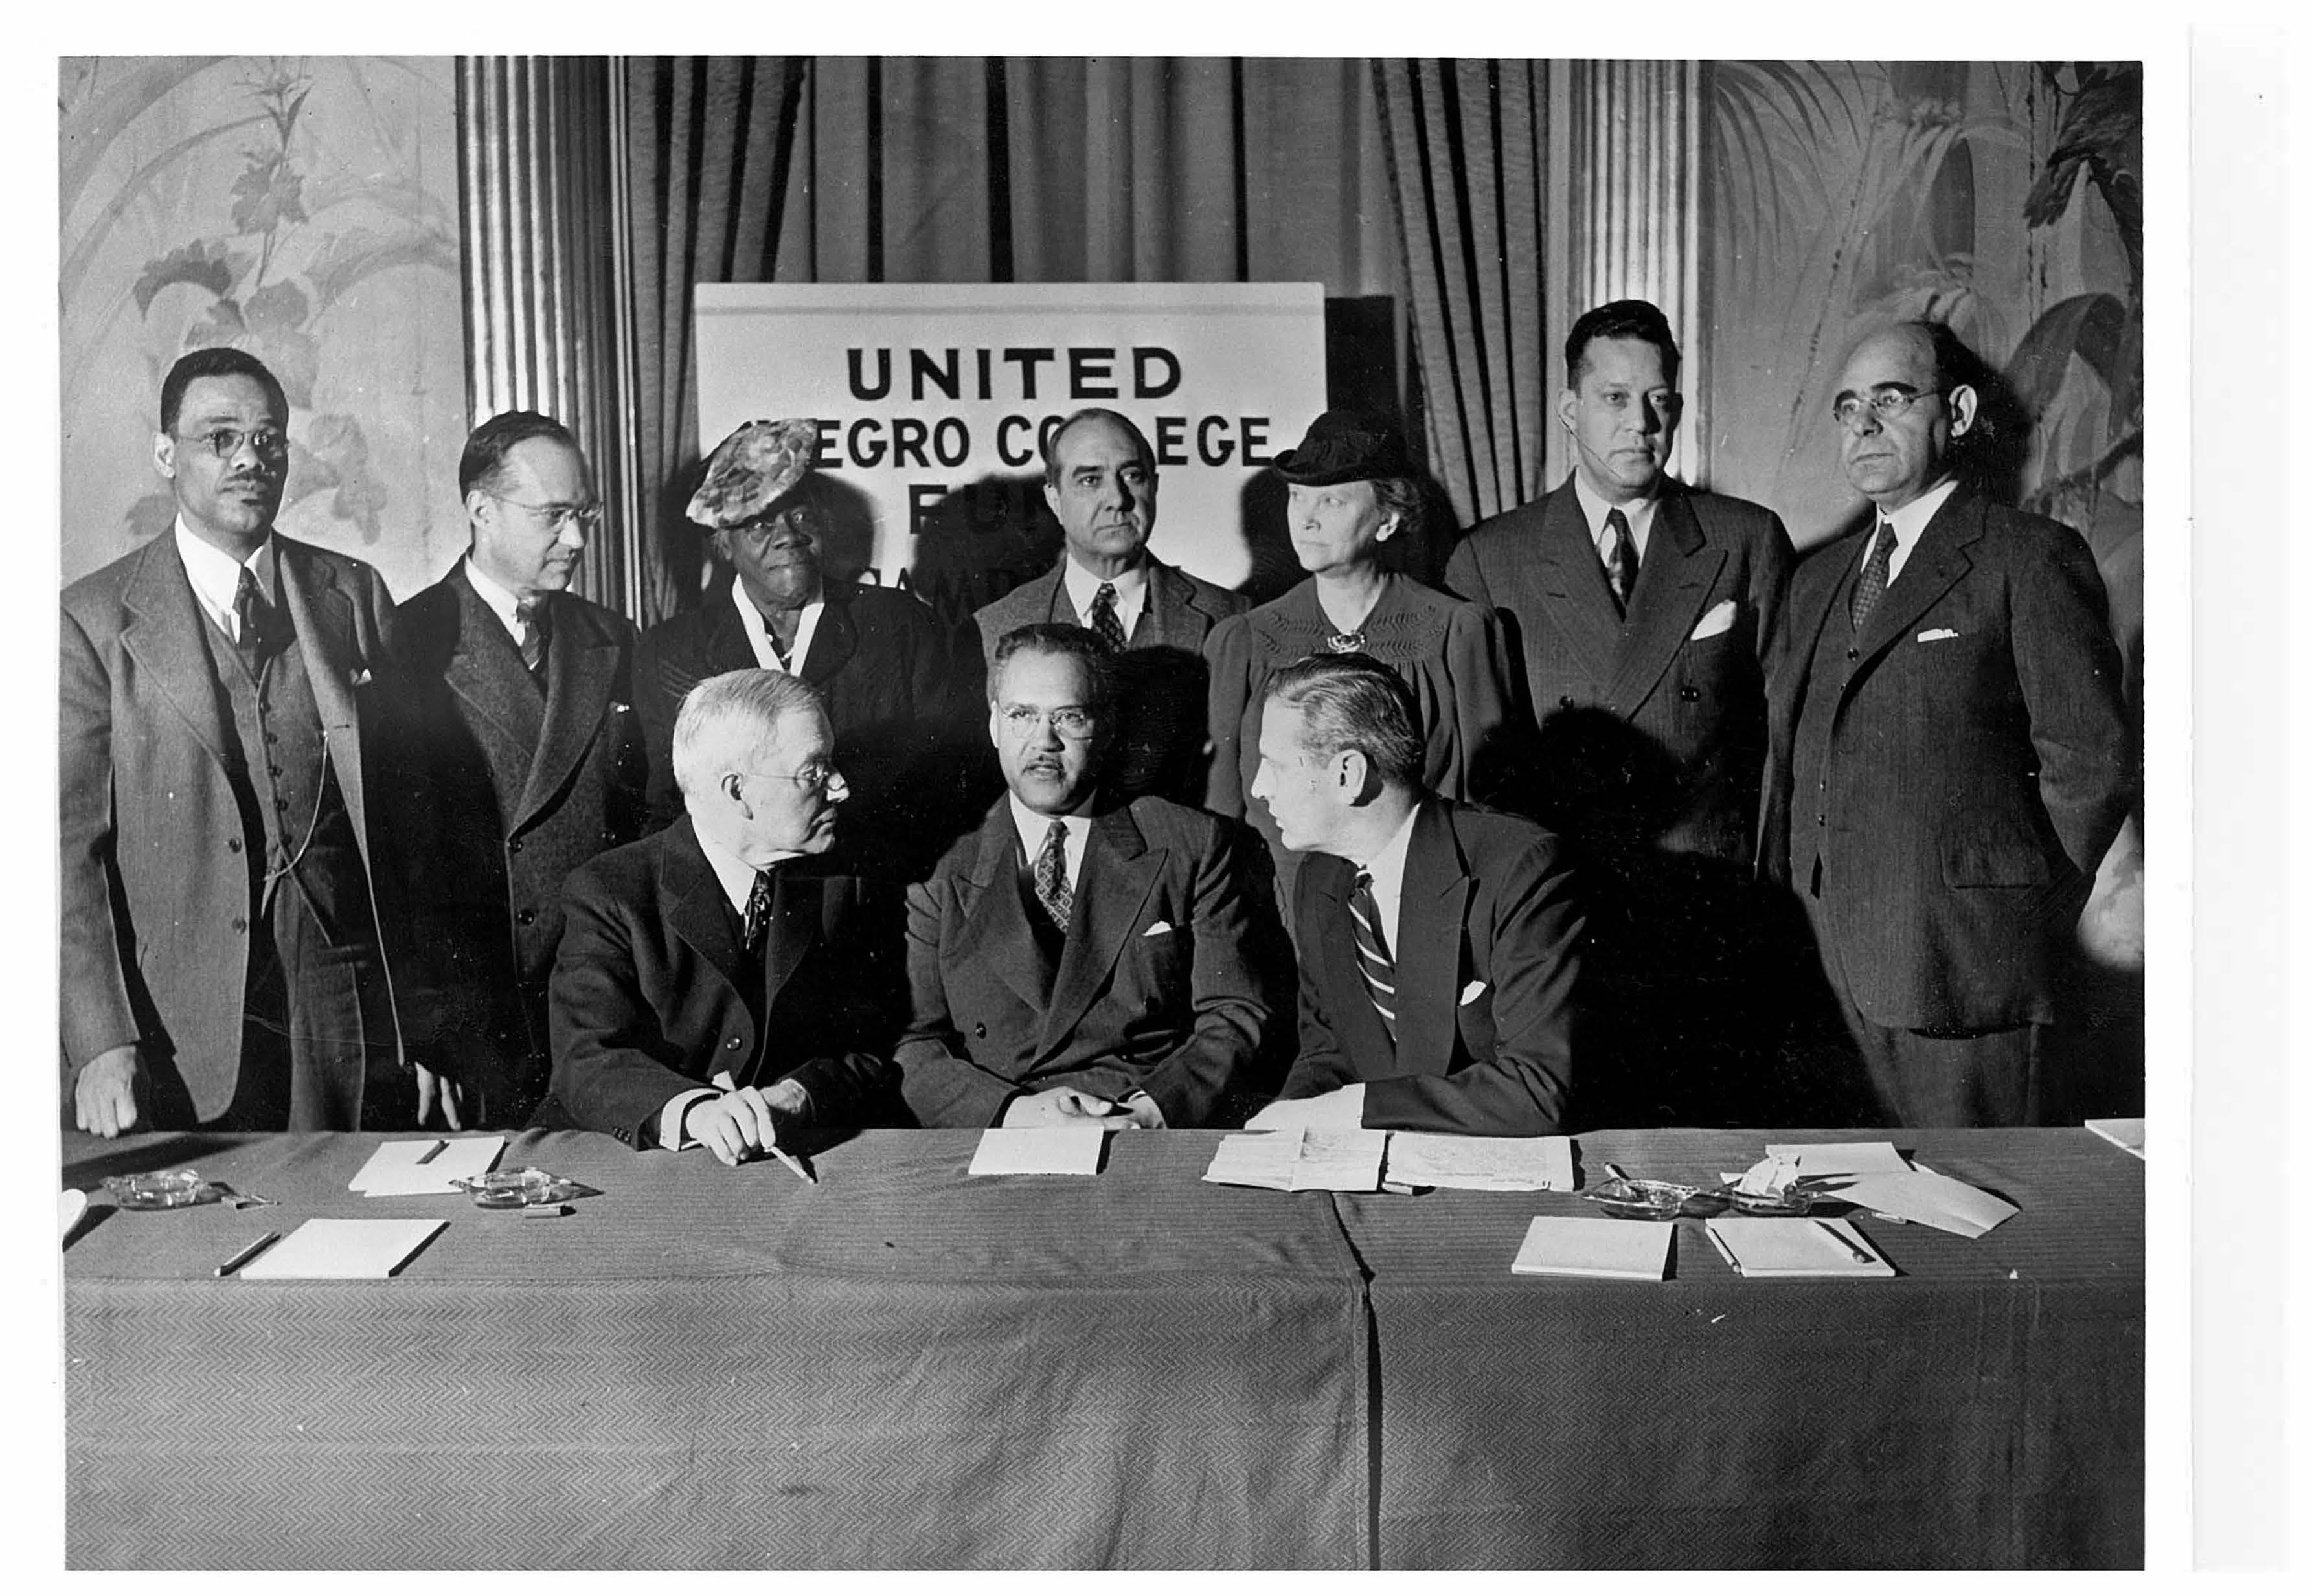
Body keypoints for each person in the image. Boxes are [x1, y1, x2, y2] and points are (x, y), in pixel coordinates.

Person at [60, 346, 453, 1133]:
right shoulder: (93, 621)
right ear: (166, 453)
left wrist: (430, 1021)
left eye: (269, 439)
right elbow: (63, 850)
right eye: (220, 437)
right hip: (179, 1029)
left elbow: (418, 831)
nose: (250, 458)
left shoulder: (354, 593)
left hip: (349, 1016)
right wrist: (101, 1039)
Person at [1765, 320, 2131, 1127]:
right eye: (1848, 406)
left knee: (1969, 1223)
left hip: (1965, 977)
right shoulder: (1818, 579)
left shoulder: (2026, 556)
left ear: (1958, 413)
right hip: (1827, 989)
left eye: (1890, 400)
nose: (1862, 425)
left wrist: (2015, 917)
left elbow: (2092, 759)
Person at [1444, 300, 1794, 1127]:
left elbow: (1786, 742)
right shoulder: (1491, 557)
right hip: (1560, 920)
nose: (1641, 423)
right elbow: (1478, 774)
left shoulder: (1744, 539)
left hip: (1704, 919)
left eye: (1660, 400)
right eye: (1613, 398)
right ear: (1570, 411)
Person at [898, 624, 1271, 1129]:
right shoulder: (937, 866)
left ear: (1108, 727)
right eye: (1022, 715)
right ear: (994, 726)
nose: (1044, 741)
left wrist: (1147, 1113)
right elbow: (915, 1041)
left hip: (1136, 1126)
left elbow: (1233, 1016)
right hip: (998, 1130)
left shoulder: (1191, 844)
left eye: (1069, 717)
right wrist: (1013, 1113)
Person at [389, 410, 650, 1126]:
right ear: (482, 510)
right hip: (477, 1018)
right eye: (554, 516)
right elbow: (394, 869)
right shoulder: (404, 644)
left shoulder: (613, 639)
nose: (577, 539)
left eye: (584, 514)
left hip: (598, 1003)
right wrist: (429, 1029)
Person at [539, 671, 900, 1162]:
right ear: (737, 791)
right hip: (641, 1164)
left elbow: (872, 1049)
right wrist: (697, 1112)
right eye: (814, 771)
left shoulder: (843, 886)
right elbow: (587, 1060)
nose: (840, 788)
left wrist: (797, 1095)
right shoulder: (610, 893)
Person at [1244, 654, 1585, 1136]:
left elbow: (1538, 1088)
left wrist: (1347, 1110)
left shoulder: (1519, 869)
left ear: (1349, 775)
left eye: (1274, 765)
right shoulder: (1320, 878)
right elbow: (1329, 1052)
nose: (1258, 788)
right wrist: (1284, 1124)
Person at [1205, 410, 1517, 917]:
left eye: (1331, 499)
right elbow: (1221, 818)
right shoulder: (1245, 641)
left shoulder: (1456, 631)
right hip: (1287, 919)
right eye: (1297, 497)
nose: (1305, 518)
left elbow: (1493, 806)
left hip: (1424, 909)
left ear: (1388, 518)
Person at [637, 417, 958, 876]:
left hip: (880, 901)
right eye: (760, 523)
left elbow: (943, 785)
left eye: (801, 514)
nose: (789, 534)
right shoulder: (674, 653)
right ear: (723, 546)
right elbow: (669, 808)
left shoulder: (899, 626)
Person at [973, 407, 1247, 804]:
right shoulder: (994, 627)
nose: (1117, 499)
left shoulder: (1229, 617)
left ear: (1154, 485)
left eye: (1132, 476)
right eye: (1089, 480)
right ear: (1054, 497)